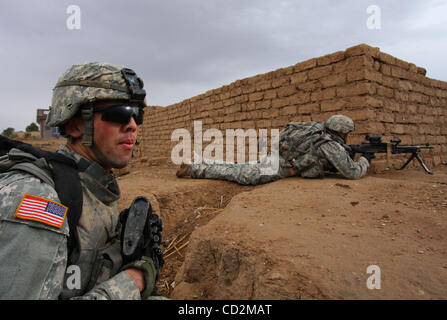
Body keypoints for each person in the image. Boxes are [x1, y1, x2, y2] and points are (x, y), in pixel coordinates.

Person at [0, 62, 159, 299]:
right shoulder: (39, 200)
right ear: (75, 125)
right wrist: (132, 282)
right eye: (120, 113)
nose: (132, 125)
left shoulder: (93, 185)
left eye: (137, 114)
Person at [176, 115, 374, 185]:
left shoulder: (317, 130)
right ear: (342, 132)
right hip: (280, 166)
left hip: (277, 157)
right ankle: (194, 169)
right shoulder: (330, 145)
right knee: (241, 175)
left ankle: (200, 162)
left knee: (242, 166)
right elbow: (353, 173)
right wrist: (366, 159)